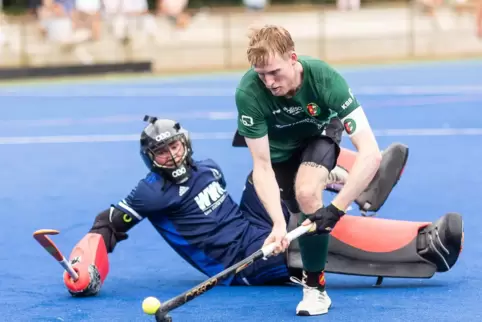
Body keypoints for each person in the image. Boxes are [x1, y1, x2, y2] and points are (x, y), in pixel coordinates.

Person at [62, 117, 463, 303]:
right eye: (162, 152)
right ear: (152, 158)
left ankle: (366, 181)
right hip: (241, 262)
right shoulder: (151, 193)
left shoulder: (207, 168)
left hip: (251, 226)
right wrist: (86, 266)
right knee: (314, 228)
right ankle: (423, 245)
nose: (172, 155)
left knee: (280, 157)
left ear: (186, 142)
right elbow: (107, 225)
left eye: (176, 146)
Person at [233, 24, 392, 315]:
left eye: (274, 72)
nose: (269, 82)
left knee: (307, 195)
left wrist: (337, 210)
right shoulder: (248, 93)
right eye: (261, 75)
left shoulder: (324, 78)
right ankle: (331, 176)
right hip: (280, 153)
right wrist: (278, 226)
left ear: (293, 58)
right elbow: (262, 166)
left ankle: (315, 289)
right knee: (295, 214)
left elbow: (371, 154)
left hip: (318, 134)